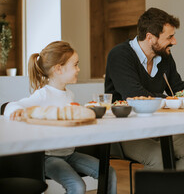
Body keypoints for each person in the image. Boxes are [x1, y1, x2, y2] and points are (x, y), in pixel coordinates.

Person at [4, 41, 117, 194]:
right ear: (59, 69)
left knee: (109, 173)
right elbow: (12, 105)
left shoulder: (69, 94)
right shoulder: (43, 94)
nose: (78, 69)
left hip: (70, 153)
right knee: (77, 186)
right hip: (49, 158)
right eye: (75, 65)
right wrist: (15, 110)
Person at [105, 7, 184, 170]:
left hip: (159, 128)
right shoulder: (120, 55)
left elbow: (178, 89)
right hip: (126, 131)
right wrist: (170, 100)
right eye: (170, 37)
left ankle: (166, 188)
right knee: (160, 157)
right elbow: (135, 96)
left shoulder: (165, 56)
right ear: (150, 38)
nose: (174, 42)